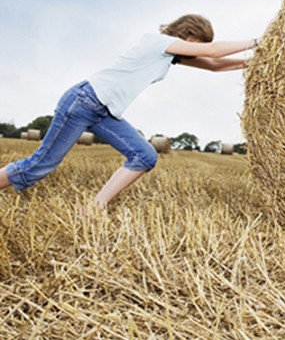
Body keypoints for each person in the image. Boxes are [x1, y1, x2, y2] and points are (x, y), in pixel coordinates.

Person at [0, 14, 257, 209]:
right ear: (189, 36)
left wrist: (256, 60)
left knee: (145, 156)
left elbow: (214, 65)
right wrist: (257, 41)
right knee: (40, 165)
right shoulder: (159, 42)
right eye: (198, 44)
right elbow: (212, 52)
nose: (197, 50)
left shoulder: (168, 56)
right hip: (84, 101)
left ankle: (93, 208)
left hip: (105, 112)